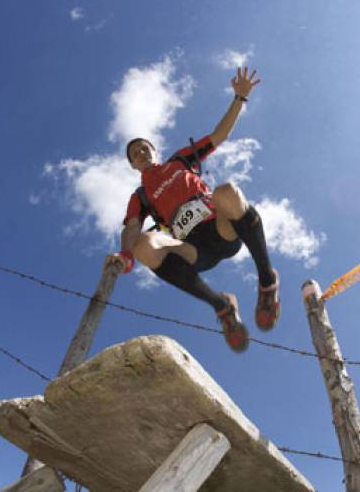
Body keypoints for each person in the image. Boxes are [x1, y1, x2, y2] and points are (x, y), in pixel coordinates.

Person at [105, 67, 278, 352]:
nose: (142, 154)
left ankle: (267, 282)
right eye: (135, 154)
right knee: (144, 245)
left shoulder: (180, 161)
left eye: (145, 148)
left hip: (223, 229)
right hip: (194, 249)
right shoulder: (140, 195)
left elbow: (218, 135)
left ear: (154, 151)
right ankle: (222, 306)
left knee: (228, 192)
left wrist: (239, 98)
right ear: (133, 165)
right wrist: (126, 254)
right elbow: (132, 227)